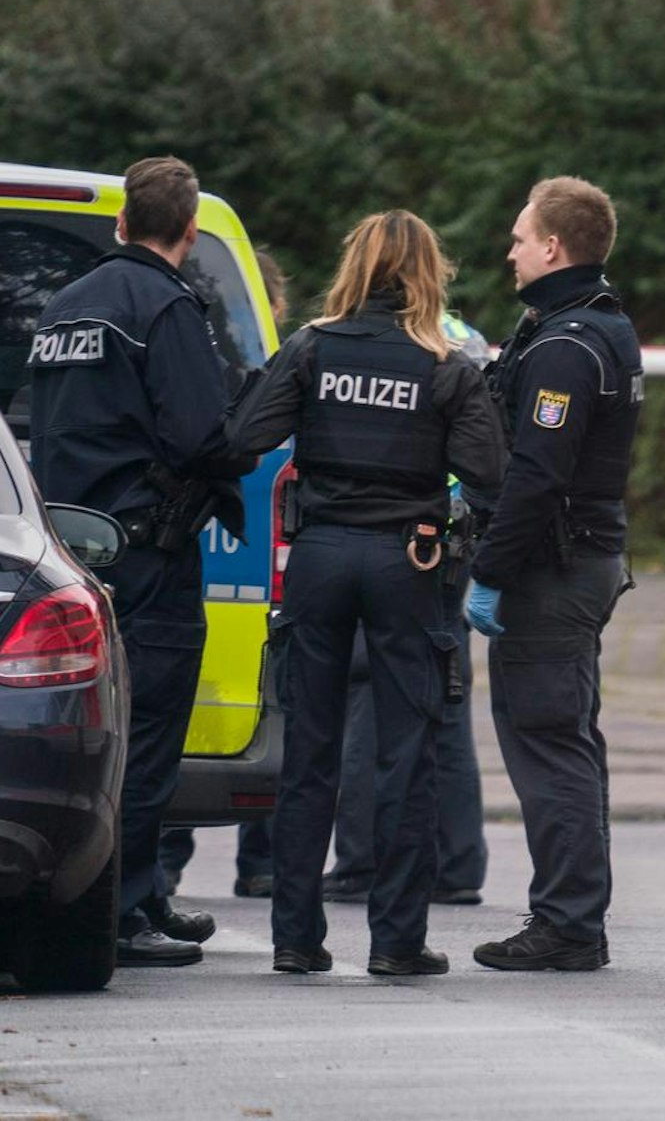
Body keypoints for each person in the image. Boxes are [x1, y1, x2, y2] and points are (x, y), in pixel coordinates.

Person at [226, 210, 505, 976]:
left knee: (309, 753)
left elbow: (246, 434)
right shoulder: (447, 364)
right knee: (406, 752)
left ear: (354, 265)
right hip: (406, 563)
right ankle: (396, 942)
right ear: (427, 273)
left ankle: (294, 938)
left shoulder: (312, 346)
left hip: (317, 557)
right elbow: (489, 472)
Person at [28, 156, 254, 967]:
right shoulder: (165, 306)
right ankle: (127, 909)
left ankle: (143, 886)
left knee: (97, 730)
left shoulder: (63, 306)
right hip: (148, 550)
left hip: (67, 548)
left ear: (123, 221)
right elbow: (202, 435)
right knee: (152, 733)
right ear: (189, 234)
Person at [465, 177, 642, 972]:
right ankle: (573, 916)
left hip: (554, 569)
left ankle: (568, 923)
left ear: (553, 247)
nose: (509, 250)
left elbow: (537, 475)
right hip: (582, 561)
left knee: (547, 742)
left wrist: (491, 569)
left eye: (518, 236)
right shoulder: (589, 325)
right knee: (567, 738)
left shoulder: (567, 346)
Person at [324, 311, 494, 907]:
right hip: (454, 534)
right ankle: (457, 861)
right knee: (447, 693)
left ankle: (363, 861)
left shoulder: (373, 343)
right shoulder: (460, 336)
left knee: (373, 691)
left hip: (398, 533)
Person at [161, 249, 293, 902]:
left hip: (166, 553)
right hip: (243, 570)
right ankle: (257, 863)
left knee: (164, 719)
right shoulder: (270, 368)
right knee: (270, 706)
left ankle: (162, 869)